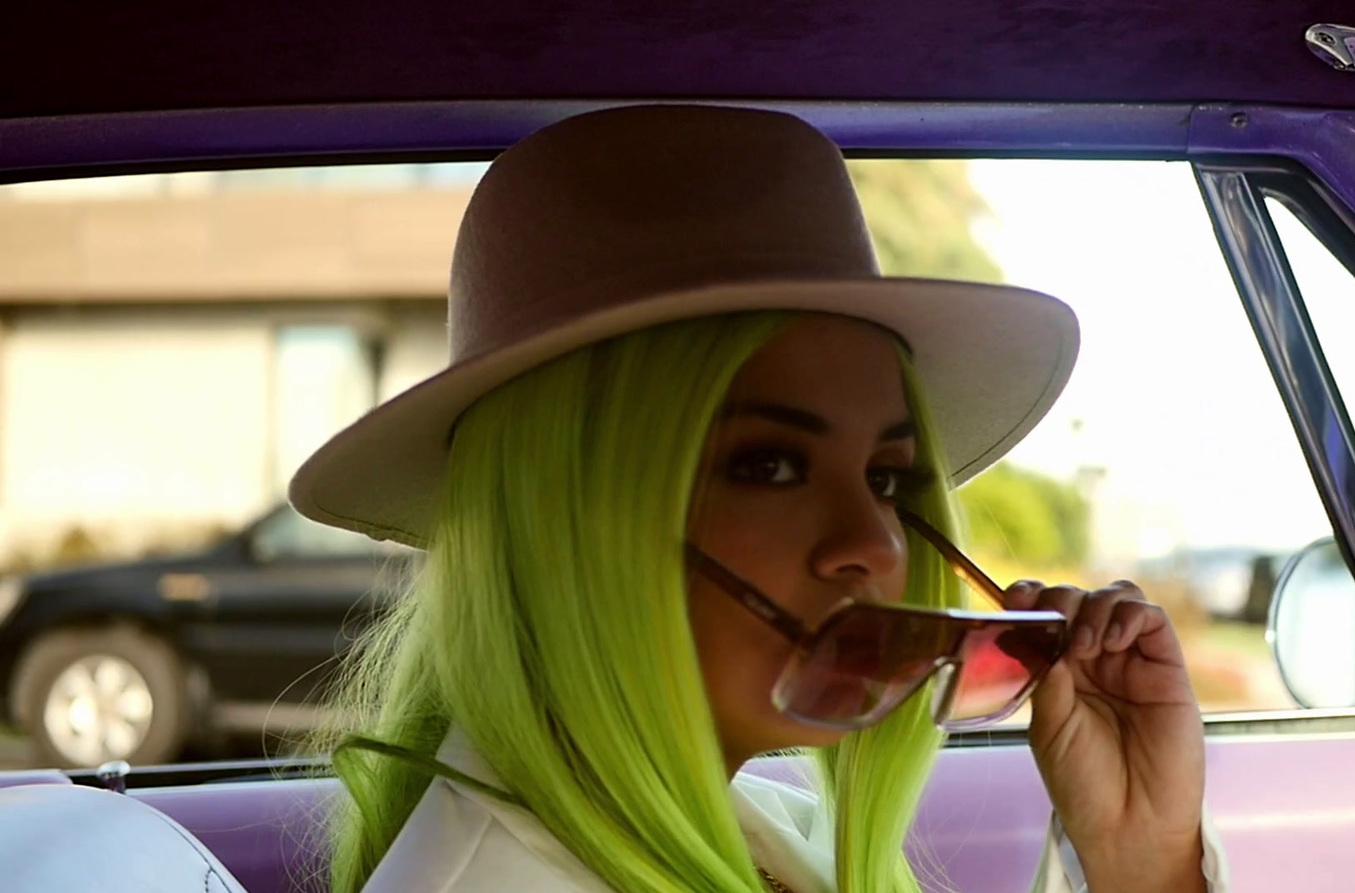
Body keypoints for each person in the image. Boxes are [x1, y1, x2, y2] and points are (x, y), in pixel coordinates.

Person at [290, 104, 1228, 893]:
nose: (875, 544)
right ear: (564, 522)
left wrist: (1146, 858)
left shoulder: (755, 822)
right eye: (769, 467)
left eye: (888, 479)